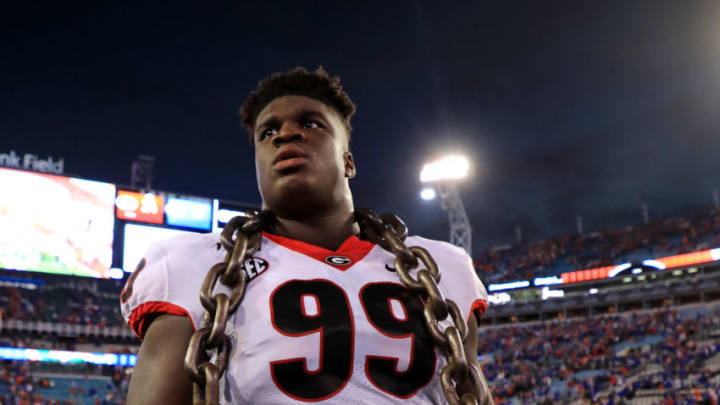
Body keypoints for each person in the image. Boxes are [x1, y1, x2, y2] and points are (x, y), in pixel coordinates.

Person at [121, 67, 492, 404]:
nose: (285, 134)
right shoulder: (193, 264)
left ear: (348, 160)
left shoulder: (442, 266)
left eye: (312, 124)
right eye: (268, 132)